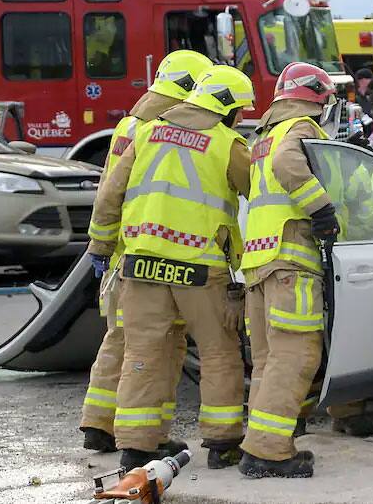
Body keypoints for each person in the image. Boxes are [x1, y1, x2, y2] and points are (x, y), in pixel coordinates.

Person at [86, 65, 253, 472]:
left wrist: (101, 245)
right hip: (200, 270)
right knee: (218, 352)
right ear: (228, 108)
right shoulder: (227, 144)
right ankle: (222, 442)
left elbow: (111, 193)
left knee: (143, 353)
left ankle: (137, 447)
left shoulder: (145, 131)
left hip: (141, 266)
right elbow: (258, 190)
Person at [80, 50, 212, 455]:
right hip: (151, 256)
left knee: (120, 339)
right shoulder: (164, 127)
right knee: (159, 347)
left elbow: (109, 193)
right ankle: (147, 435)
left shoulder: (129, 124)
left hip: (124, 253)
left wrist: (101, 245)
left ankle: (99, 422)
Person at [238, 62, 365, 478]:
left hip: (258, 263)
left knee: (269, 360)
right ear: (314, 96)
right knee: (295, 355)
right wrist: (322, 210)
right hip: (290, 260)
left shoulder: (263, 136)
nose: (327, 107)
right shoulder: (300, 128)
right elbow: (290, 166)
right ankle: (270, 452)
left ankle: (257, 445)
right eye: (326, 99)